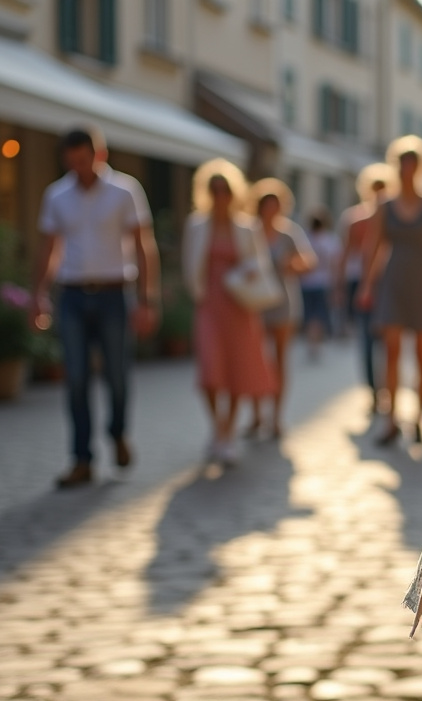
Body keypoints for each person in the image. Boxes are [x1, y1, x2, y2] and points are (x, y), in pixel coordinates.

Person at [32, 127, 160, 488]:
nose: (79, 169)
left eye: (83, 161)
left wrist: (148, 298)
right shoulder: (56, 195)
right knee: (75, 379)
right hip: (72, 294)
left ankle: (117, 433)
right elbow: (48, 247)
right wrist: (37, 294)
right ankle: (81, 459)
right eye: (71, 163)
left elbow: (143, 245)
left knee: (117, 375)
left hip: (113, 293)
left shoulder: (125, 190)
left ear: (98, 155)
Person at [359, 136, 422, 446]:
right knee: (390, 351)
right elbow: (374, 248)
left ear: (420, 167)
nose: (407, 168)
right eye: (402, 162)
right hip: (393, 280)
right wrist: (366, 285)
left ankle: (418, 419)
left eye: (413, 163)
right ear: (395, 166)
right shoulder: (384, 206)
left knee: (421, 354)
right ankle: (390, 420)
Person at [182, 159, 276, 464]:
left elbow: (259, 263)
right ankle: (218, 426)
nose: (220, 194)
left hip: (239, 305)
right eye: (214, 189)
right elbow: (188, 264)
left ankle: (227, 432)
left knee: (237, 369)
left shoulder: (246, 227)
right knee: (210, 370)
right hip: (210, 304)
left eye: (225, 189)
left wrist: (247, 273)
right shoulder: (197, 225)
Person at [248, 178, 315, 439]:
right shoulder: (250, 231)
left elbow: (309, 262)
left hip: (283, 302)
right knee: (255, 360)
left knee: (278, 361)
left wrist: (293, 265)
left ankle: (275, 417)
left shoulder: (289, 232)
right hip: (255, 302)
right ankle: (256, 415)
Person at [338, 163, 395, 415]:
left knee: (388, 343)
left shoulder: (391, 216)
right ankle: (375, 391)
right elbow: (346, 254)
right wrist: (339, 287)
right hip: (362, 285)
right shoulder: (355, 219)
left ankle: (386, 391)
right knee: (368, 342)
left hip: (388, 285)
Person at [301, 208, 340, 360]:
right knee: (318, 315)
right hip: (323, 283)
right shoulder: (330, 240)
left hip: (307, 284)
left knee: (311, 315)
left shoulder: (306, 239)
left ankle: (313, 343)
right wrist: (336, 284)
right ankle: (315, 342)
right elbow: (334, 264)